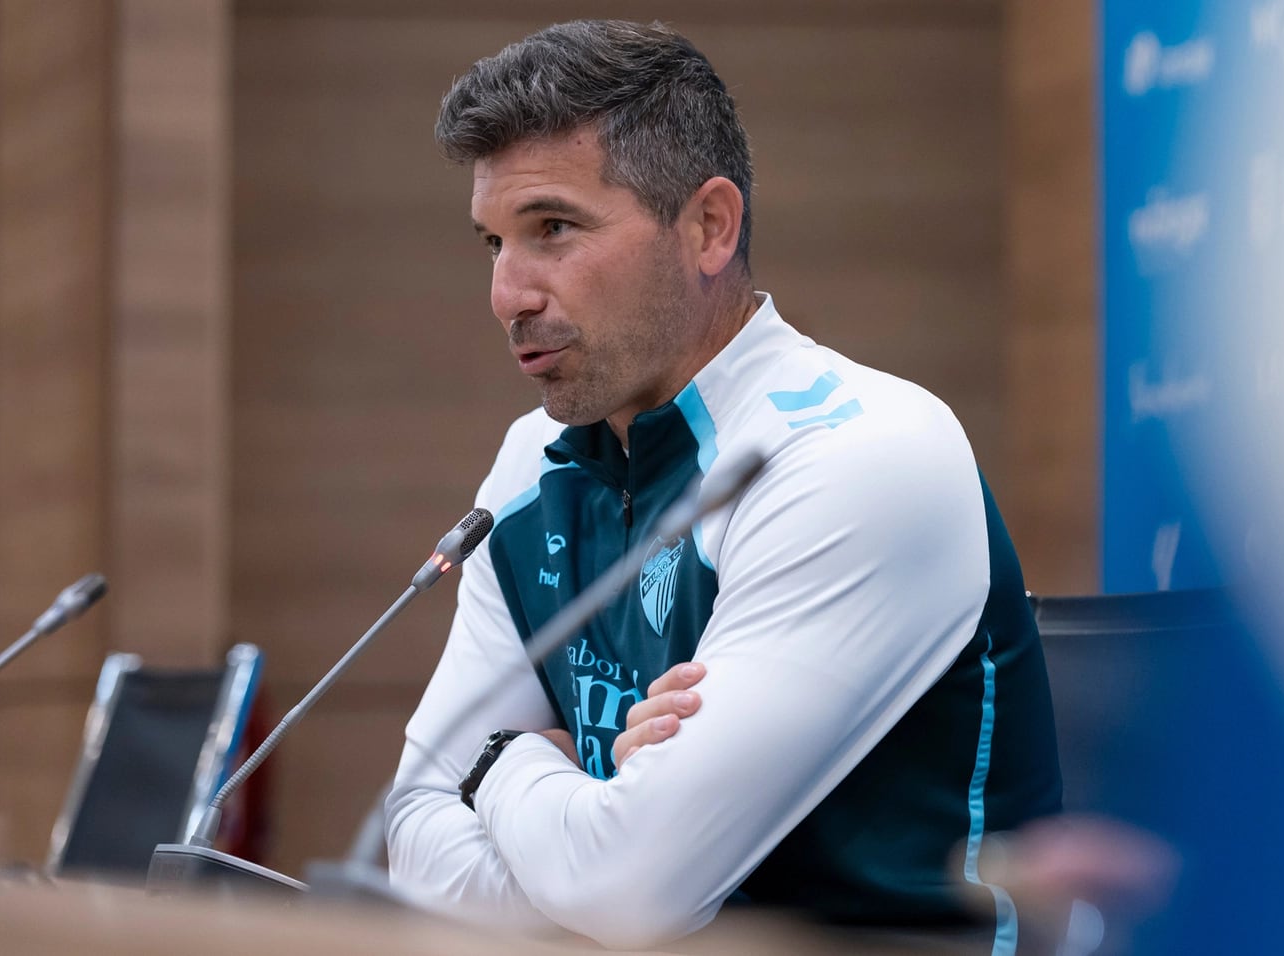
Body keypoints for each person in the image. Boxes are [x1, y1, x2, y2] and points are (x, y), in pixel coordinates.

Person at [385, 19, 1061, 950]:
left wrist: (503, 765)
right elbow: (415, 835)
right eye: (493, 242)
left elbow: (629, 890)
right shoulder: (531, 464)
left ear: (709, 227)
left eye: (552, 228)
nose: (509, 294)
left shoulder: (859, 457)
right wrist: (595, 807)